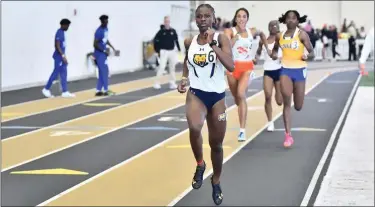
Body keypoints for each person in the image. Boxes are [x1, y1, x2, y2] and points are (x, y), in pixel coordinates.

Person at [177, 4, 234, 205]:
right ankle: (200, 164)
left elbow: (231, 65)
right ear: (195, 19)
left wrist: (213, 45)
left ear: (213, 18)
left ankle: (216, 180)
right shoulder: (189, 41)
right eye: (199, 16)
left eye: (206, 16)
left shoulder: (221, 38)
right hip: (196, 94)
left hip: (217, 97)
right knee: (194, 127)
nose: (202, 19)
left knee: (216, 144)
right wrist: (184, 78)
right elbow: (186, 60)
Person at [223, 8, 270, 142]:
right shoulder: (229, 31)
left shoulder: (252, 31)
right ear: (235, 18)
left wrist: (263, 50)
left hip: (247, 67)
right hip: (232, 68)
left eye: (244, 17)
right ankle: (242, 111)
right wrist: (234, 39)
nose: (241, 19)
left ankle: (242, 130)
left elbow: (262, 34)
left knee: (241, 94)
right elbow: (225, 47)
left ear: (247, 19)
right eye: (239, 16)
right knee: (238, 100)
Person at [271, 10, 315, 148]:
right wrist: (273, 54)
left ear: (297, 21)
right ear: (285, 20)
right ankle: (288, 135)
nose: (291, 20)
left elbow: (312, 52)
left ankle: (297, 94)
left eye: (294, 18)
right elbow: (275, 50)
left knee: (298, 106)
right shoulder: (280, 36)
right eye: (288, 18)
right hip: (285, 70)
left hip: (300, 70)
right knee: (286, 101)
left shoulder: (302, 34)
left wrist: (307, 56)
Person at [256, 20, 283, 132]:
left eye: (276, 25)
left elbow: (287, 53)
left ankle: (279, 93)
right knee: (267, 96)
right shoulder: (263, 41)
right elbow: (258, 53)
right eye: (272, 26)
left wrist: (281, 58)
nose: (274, 27)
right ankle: (270, 122)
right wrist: (255, 59)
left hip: (280, 69)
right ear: (269, 28)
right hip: (268, 70)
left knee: (279, 101)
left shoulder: (281, 39)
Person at [42, 18, 75, 98]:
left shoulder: (62, 33)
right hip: (58, 57)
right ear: (63, 25)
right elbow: (57, 45)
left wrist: (64, 56)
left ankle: (65, 91)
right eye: (67, 26)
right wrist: (63, 56)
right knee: (56, 72)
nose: (68, 27)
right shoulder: (59, 33)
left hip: (62, 56)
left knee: (64, 73)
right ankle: (46, 89)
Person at [93, 15, 119, 96]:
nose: (107, 22)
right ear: (102, 22)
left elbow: (106, 39)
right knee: (105, 71)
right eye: (105, 21)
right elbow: (95, 44)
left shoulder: (106, 29)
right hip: (99, 54)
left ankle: (98, 90)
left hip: (103, 54)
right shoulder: (98, 31)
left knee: (102, 72)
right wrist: (104, 50)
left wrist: (113, 48)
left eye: (107, 21)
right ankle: (106, 90)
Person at [153, 16, 181, 89]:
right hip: (164, 51)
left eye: (168, 21)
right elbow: (155, 41)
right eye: (166, 21)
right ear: (164, 22)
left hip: (172, 51)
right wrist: (156, 50)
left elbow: (176, 40)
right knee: (162, 67)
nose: (167, 23)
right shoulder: (161, 32)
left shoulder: (173, 31)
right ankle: (156, 83)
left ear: (169, 22)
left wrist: (179, 49)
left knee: (172, 68)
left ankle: (172, 83)